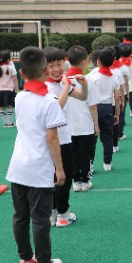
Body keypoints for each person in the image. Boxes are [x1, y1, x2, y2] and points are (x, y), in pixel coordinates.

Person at [5, 46, 66, 263]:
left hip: (18, 167)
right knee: (40, 219)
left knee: (20, 216)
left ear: (21, 73)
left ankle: (26, 257)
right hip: (39, 168)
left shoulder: (20, 97)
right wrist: (59, 169)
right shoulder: (49, 101)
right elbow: (52, 137)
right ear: (46, 70)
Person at [44, 47, 86, 228]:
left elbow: (83, 97)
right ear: (43, 67)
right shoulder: (47, 86)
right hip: (56, 140)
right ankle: (62, 213)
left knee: (57, 177)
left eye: (59, 64)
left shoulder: (61, 83)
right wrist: (67, 87)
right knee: (62, 177)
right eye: (51, 65)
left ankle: (54, 212)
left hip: (64, 137)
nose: (56, 69)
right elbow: (56, 108)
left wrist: (84, 84)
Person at [65, 46, 96, 192]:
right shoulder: (87, 80)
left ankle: (76, 181)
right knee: (86, 154)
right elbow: (93, 106)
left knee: (73, 154)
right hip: (85, 124)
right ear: (84, 62)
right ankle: (85, 180)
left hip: (68, 126)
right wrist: (97, 125)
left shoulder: (63, 81)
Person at [87, 48, 120, 172]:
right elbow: (117, 99)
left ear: (98, 62)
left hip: (94, 107)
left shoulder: (93, 77)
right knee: (108, 137)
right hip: (107, 108)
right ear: (112, 62)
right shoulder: (114, 78)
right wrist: (117, 113)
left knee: (92, 137)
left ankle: (90, 164)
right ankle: (107, 163)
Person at [0, 50, 18, 127]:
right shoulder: (11, 68)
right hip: (10, 90)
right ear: (8, 59)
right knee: (10, 106)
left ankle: (5, 122)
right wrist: (17, 89)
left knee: (2, 107)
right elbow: (15, 79)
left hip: (0, 90)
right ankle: (10, 122)